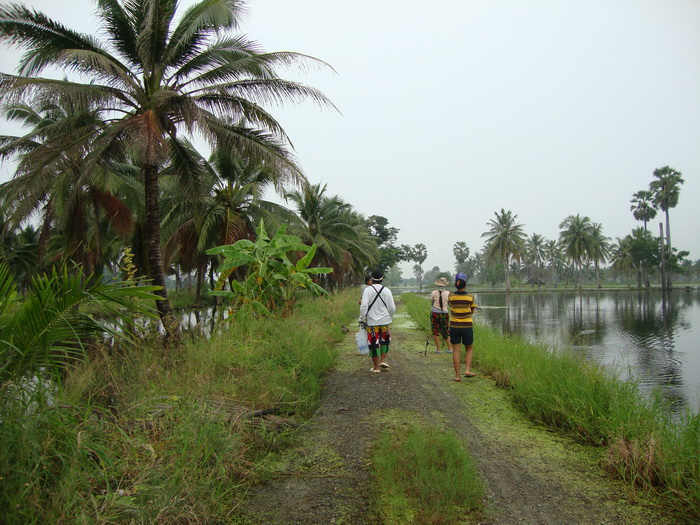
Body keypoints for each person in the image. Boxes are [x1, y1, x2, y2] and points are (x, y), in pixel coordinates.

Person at [359, 269, 396, 373]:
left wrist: (362, 318)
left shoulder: (367, 290)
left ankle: (376, 367)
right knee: (384, 342)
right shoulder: (387, 291)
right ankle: (383, 360)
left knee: (373, 344)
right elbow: (392, 308)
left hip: (372, 323)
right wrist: (390, 318)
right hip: (385, 321)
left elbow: (364, 306)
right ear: (382, 278)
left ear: (372, 278)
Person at [448, 272, 478, 382]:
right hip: (467, 325)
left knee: (456, 350)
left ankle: (457, 376)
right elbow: (472, 310)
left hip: (454, 325)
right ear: (465, 284)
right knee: (469, 348)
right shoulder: (470, 296)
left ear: (456, 283)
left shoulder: (451, 295)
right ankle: (467, 370)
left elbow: (450, 305)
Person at [430, 277, 450, 353]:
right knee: (445, 330)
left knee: (435, 330)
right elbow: (449, 304)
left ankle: (438, 349)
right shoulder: (448, 294)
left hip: (435, 313)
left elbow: (432, 303)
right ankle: (449, 348)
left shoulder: (433, 292)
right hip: (444, 313)